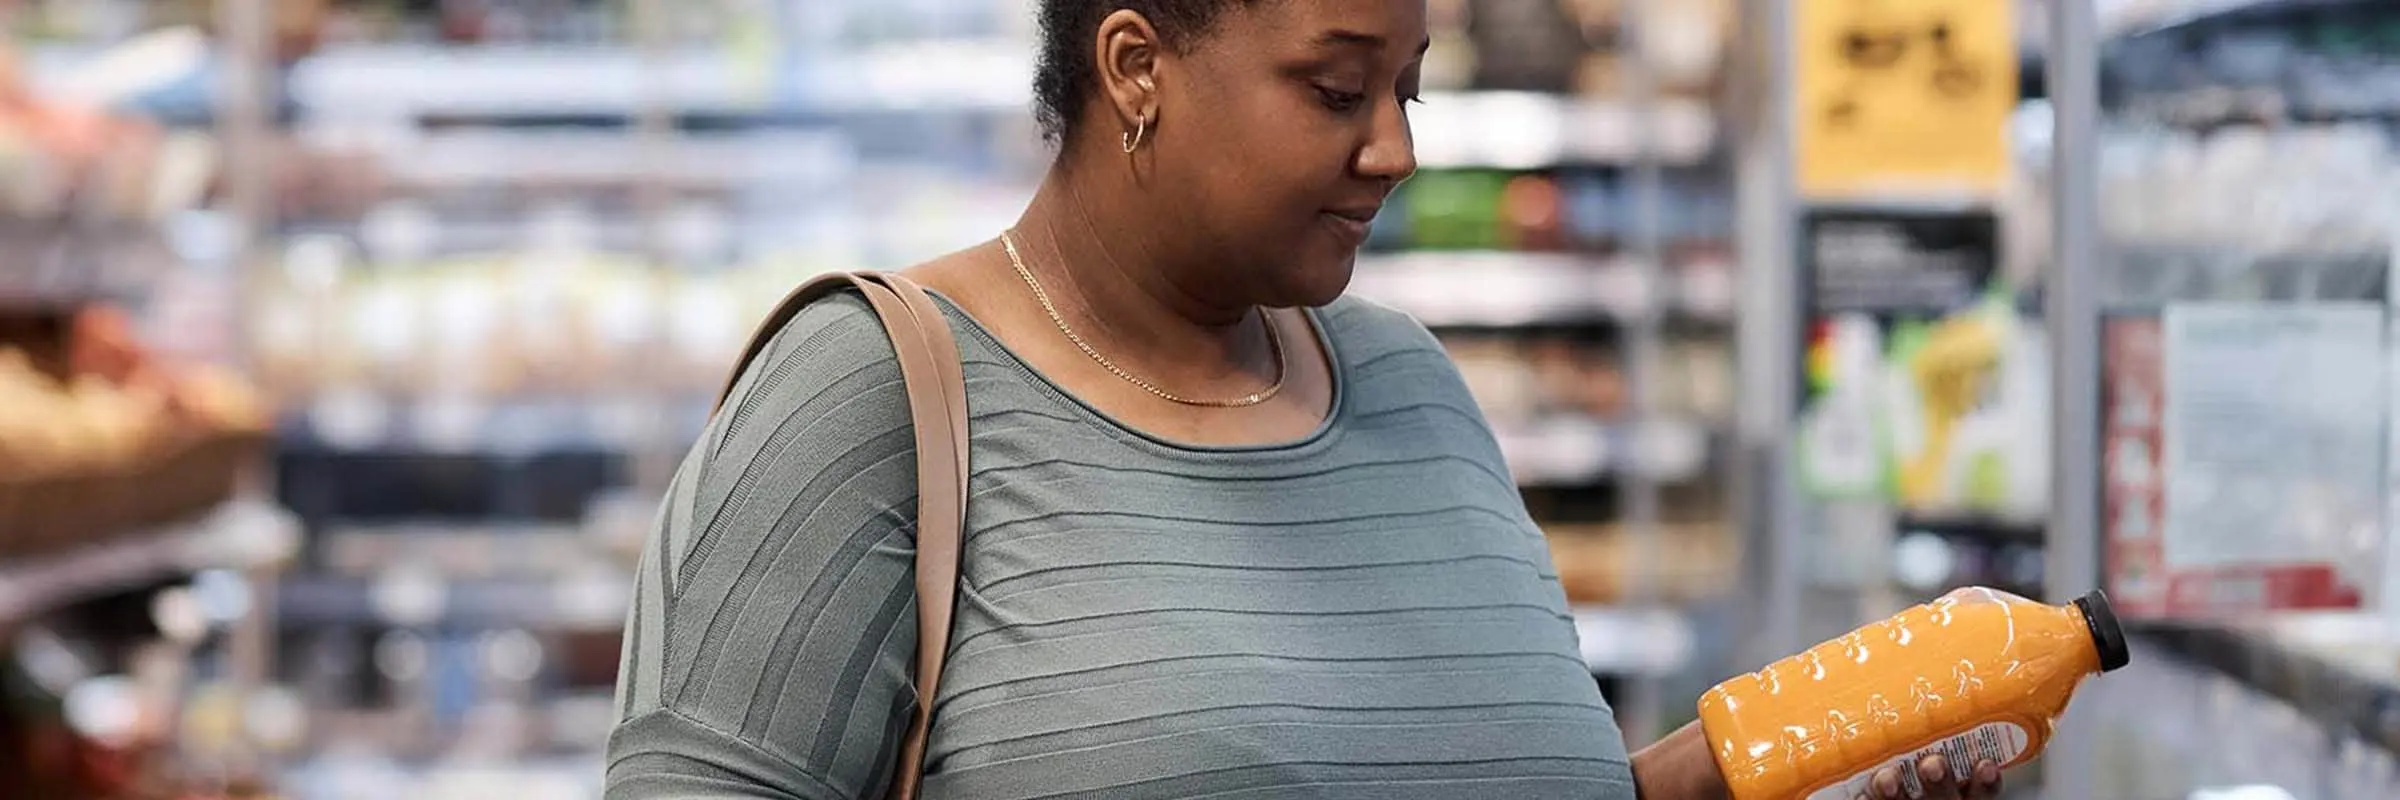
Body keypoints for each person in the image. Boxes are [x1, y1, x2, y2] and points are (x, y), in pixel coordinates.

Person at [604, 1, 2004, 798]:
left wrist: (1737, 770)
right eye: (1336, 88)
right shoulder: (871, 394)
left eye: (1409, 87)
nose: (1392, 148)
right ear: (1137, 68)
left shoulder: (1413, 388)